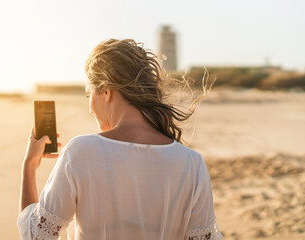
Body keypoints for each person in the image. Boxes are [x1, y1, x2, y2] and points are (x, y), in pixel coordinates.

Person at [17, 39, 223, 240]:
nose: (89, 107)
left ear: (106, 92)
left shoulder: (80, 152)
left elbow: (37, 235)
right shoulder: (191, 164)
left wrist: (29, 165)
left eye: (89, 94)